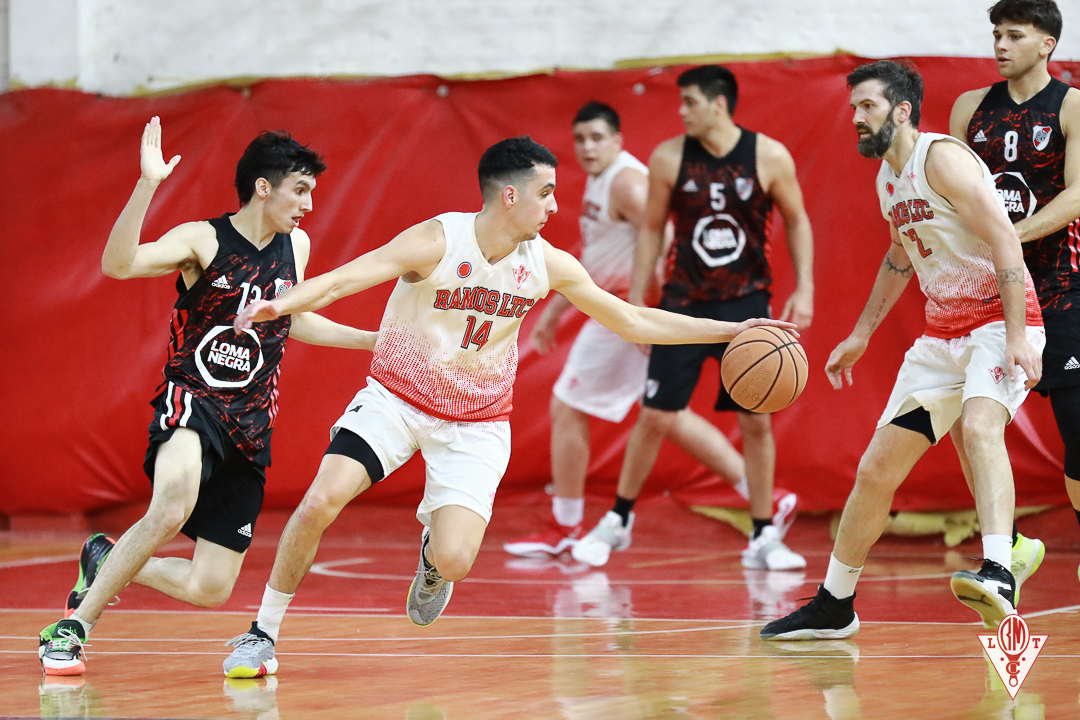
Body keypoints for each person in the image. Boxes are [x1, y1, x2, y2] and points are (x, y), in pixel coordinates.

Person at [220, 136, 797, 678]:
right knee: (321, 499)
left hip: (476, 423)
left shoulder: (548, 263)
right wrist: (283, 303)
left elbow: (634, 319)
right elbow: (349, 278)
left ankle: (433, 558)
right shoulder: (438, 239)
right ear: (511, 194)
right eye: (546, 193)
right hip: (396, 396)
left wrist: (731, 331)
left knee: (455, 560)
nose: (554, 206)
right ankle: (263, 632)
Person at [37, 118, 377, 676]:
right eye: (301, 190)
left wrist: (367, 339)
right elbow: (117, 265)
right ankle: (72, 631)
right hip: (192, 402)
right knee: (170, 507)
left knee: (210, 586)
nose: (309, 204)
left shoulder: (298, 245)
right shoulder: (203, 239)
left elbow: (288, 317)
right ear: (263, 188)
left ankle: (105, 557)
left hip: (251, 424)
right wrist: (147, 184)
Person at [761, 60, 1045, 641]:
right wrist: (861, 333)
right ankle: (836, 602)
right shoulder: (888, 180)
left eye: (866, 107)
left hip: (996, 323)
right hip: (941, 340)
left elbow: (1005, 238)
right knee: (875, 469)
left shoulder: (941, 159)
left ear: (902, 110)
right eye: (853, 109)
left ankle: (999, 569)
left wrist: (1017, 334)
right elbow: (899, 256)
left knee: (978, 427)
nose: (856, 118)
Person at [504, 102, 775, 558]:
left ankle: (565, 525)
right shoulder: (603, 180)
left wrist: (653, 307)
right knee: (662, 412)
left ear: (617, 139)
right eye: (580, 139)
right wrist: (556, 309)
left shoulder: (627, 182)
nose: (587, 147)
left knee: (568, 406)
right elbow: (598, 250)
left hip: (625, 314)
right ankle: (766, 495)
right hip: (614, 310)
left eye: (597, 137)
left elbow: (667, 240)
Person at [571, 65, 814, 570]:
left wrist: (806, 286)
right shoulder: (668, 158)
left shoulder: (768, 156)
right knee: (656, 414)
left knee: (756, 419)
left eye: (689, 102)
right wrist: (638, 301)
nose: (681, 112)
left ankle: (764, 532)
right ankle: (619, 519)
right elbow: (653, 229)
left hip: (748, 305)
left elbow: (796, 219)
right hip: (683, 303)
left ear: (718, 104)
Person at [951, 0, 1080, 591]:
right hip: (986, 295)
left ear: (1047, 43)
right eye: (995, 33)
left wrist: (1011, 237)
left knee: (1075, 427)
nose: (1000, 44)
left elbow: (1077, 196)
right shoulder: (970, 110)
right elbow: (946, 194)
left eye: (1014, 34)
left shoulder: (1072, 105)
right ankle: (1009, 550)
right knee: (971, 424)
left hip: (1058, 286)